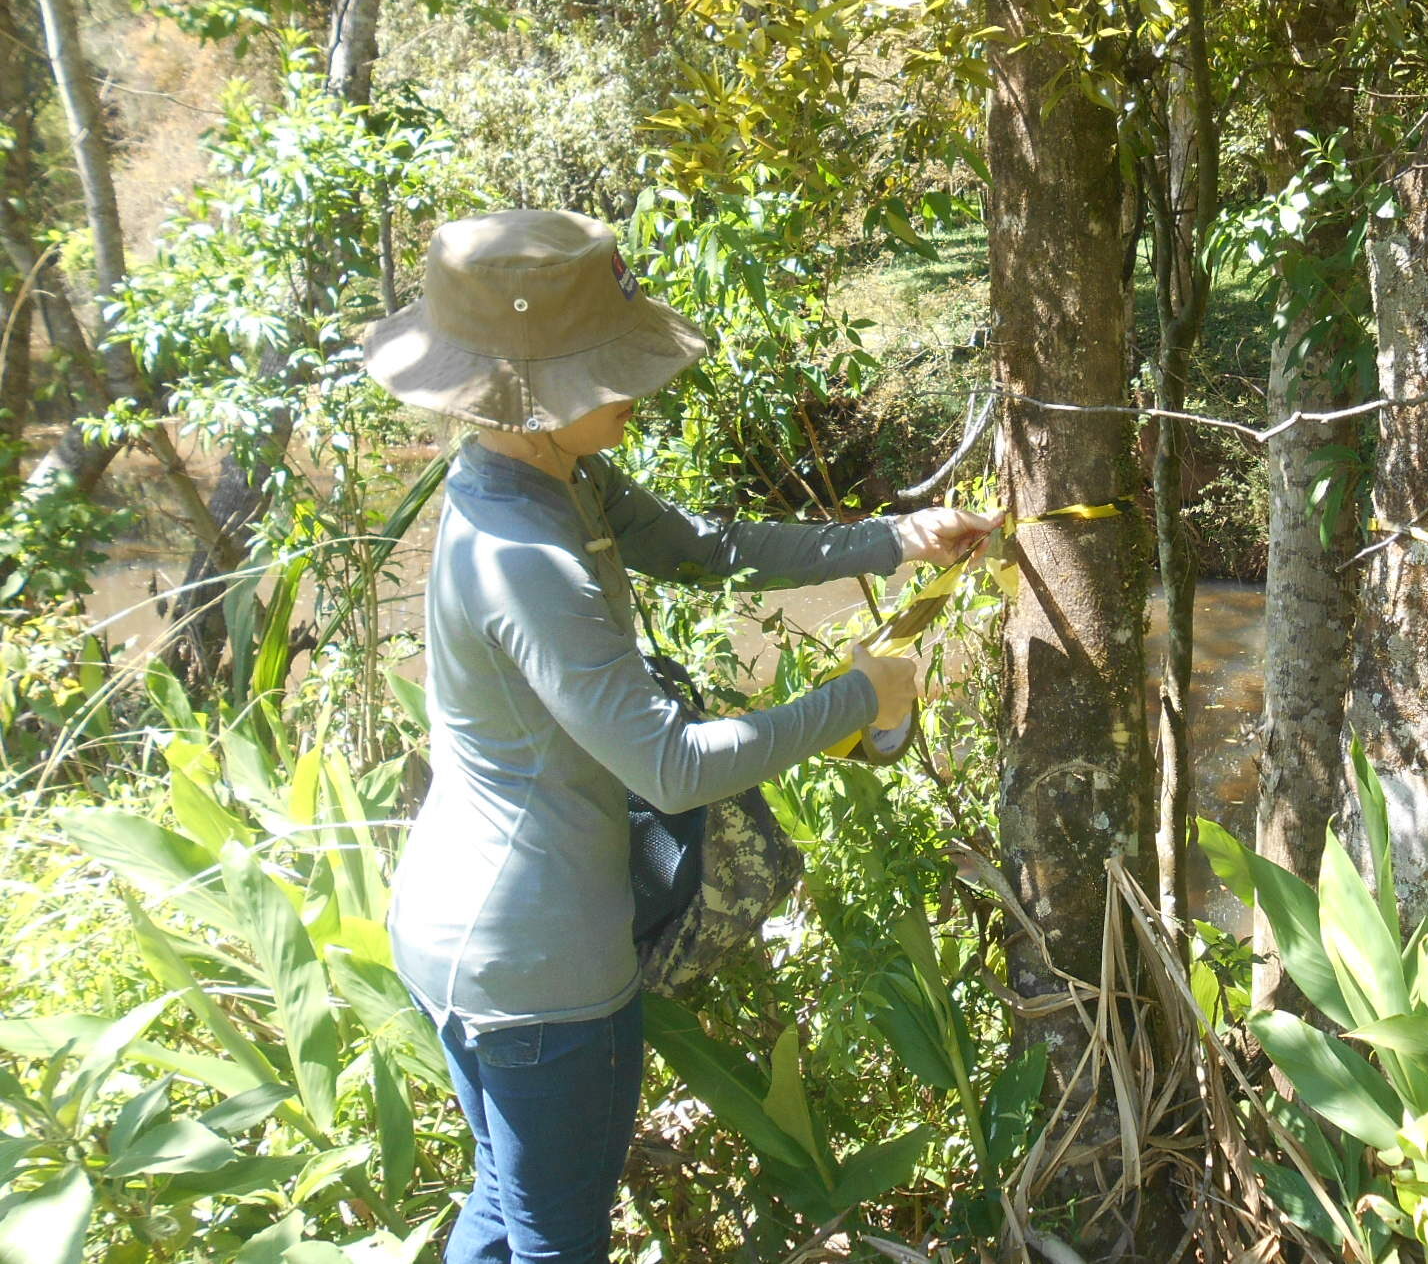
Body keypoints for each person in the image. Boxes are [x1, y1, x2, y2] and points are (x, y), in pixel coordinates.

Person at [361, 208, 999, 1264]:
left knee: (507, 1199)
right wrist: (859, 694)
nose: (630, 390)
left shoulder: (543, 479)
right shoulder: (530, 556)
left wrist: (891, 539)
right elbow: (667, 761)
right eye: (599, 370)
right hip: (537, 962)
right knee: (558, 1238)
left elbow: (705, 545)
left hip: (465, 926)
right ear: (528, 392)